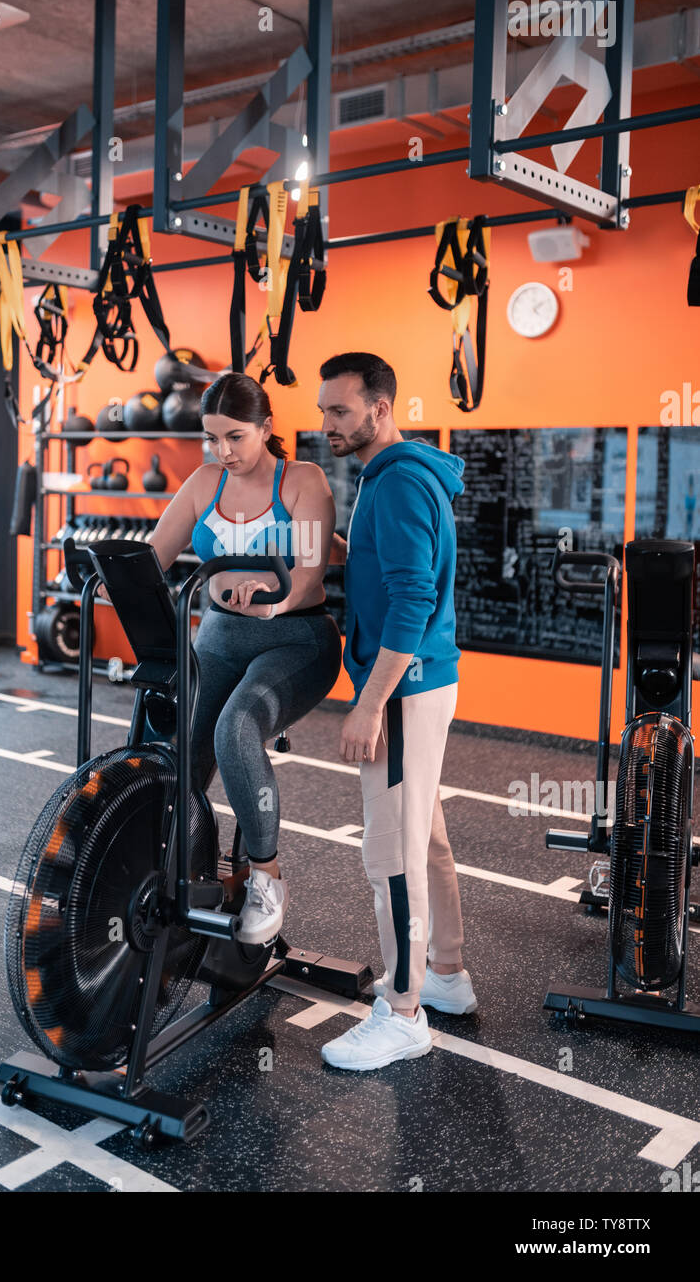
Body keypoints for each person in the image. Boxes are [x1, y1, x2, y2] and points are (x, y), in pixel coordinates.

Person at [316, 351, 477, 1071]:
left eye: (340, 411)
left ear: (381, 410)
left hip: (404, 691)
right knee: (427, 838)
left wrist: (368, 705)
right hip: (420, 684)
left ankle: (405, 1010)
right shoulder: (394, 479)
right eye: (324, 410)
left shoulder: (401, 485)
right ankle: (445, 975)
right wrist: (345, 553)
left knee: (394, 859)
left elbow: (414, 598)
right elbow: (400, 574)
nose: (327, 424)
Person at [145, 370, 341, 943]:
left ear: (266, 428)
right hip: (221, 639)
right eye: (212, 438)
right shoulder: (204, 483)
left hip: (297, 640)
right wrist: (109, 575)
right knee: (181, 756)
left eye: (235, 437)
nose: (222, 451)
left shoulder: (303, 480)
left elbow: (307, 576)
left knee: (236, 728)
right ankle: (166, 868)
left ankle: (266, 878)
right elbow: (157, 553)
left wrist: (275, 601)